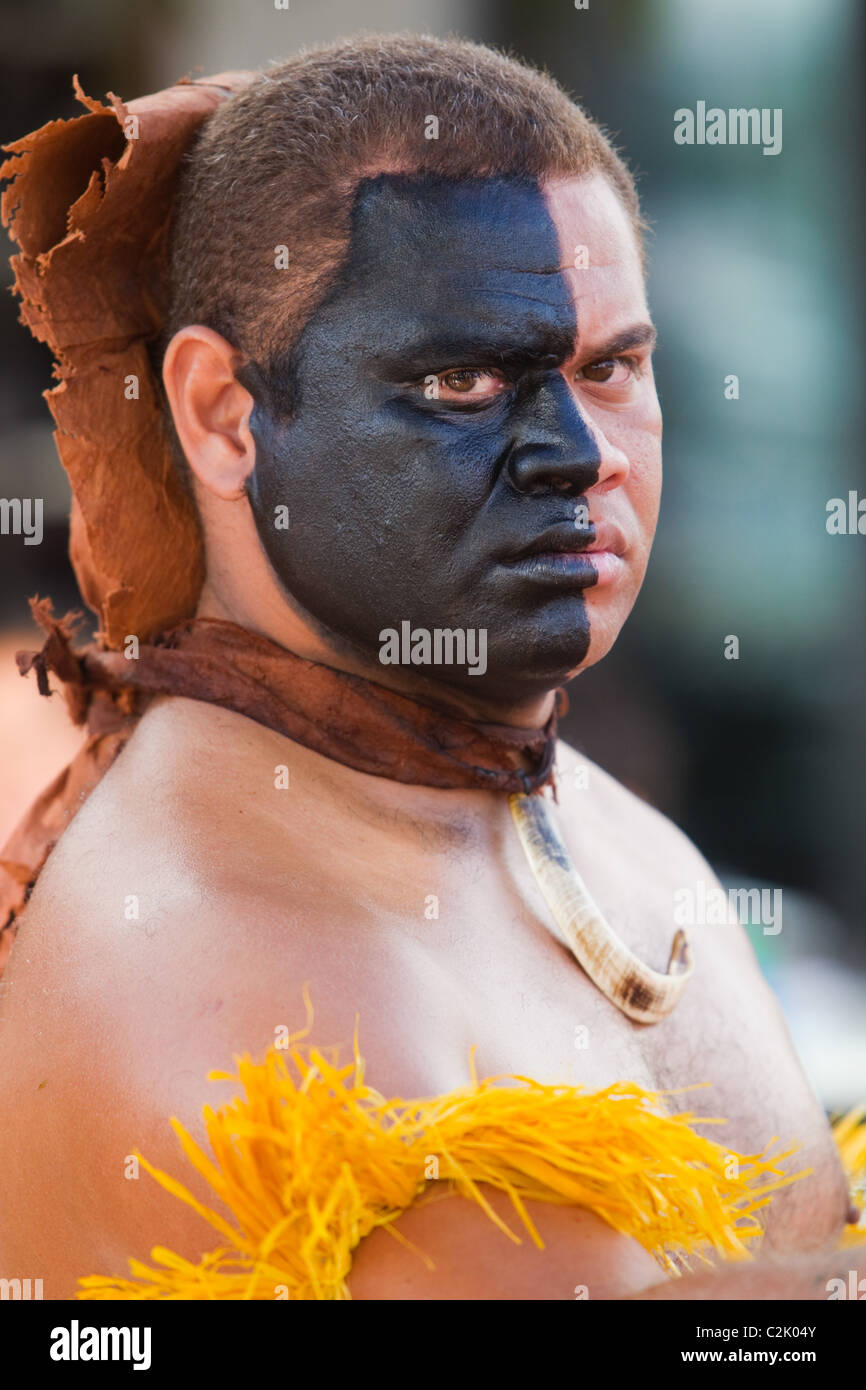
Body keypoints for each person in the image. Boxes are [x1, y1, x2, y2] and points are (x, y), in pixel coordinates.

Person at [0, 33, 860, 1301]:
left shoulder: (599, 830)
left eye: (609, 367)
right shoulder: (241, 974)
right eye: (462, 380)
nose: (581, 455)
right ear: (225, 415)